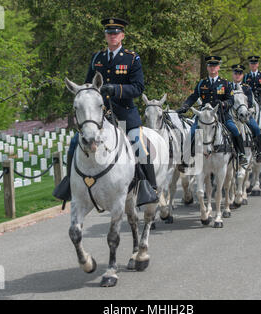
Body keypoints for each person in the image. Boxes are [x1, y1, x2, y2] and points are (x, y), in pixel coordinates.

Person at [63, 17, 158, 205]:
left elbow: (138, 88)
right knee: (75, 142)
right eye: (109, 33)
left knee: (139, 144)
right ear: (105, 36)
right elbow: (89, 84)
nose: (112, 36)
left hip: (124, 113)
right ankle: (68, 184)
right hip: (100, 117)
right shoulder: (97, 58)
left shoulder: (132, 58)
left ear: (122, 35)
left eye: (116, 33)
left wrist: (115, 89)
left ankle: (149, 187)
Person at [176, 56, 248, 166]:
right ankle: (187, 159)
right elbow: (193, 96)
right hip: (204, 115)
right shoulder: (202, 83)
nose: (212, 68)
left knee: (235, 130)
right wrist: (185, 106)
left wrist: (224, 104)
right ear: (208, 67)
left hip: (221, 114)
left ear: (218, 67)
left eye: (215, 65)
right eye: (210, 66)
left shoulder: (225, 83)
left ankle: (241, 155)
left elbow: (231, 100)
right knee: (191, 132)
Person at [228, 64, 261, 163]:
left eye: (239, 74)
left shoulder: (246, 88)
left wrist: (248, 112)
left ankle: (259, 152)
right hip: (231, 116)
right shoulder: (227, 86)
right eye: (236, 73)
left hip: (245, 115)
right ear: (233, 74)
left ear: (242, 75)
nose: (237, 75)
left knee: (256, 128)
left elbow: (251, 103)